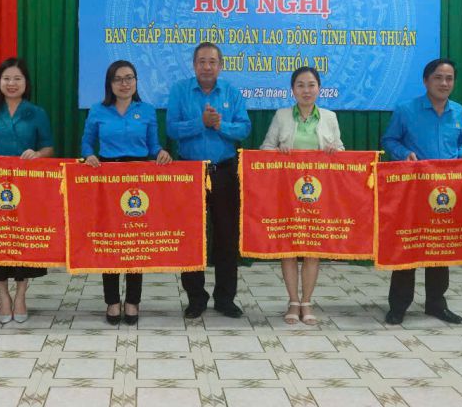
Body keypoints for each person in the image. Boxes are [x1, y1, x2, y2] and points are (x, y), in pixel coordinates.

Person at [381, 58, 462, 325]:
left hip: (445, 192)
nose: (444, 83)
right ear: (426, 81)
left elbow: (460, 145)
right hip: (412, 190)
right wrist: (404, 153)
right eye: (438, 77)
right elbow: (389, 140)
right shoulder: (406, 110)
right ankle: (398, 306)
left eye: (449, 78)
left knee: (439, 247)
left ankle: (436, 303)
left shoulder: (459, 112)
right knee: (408, 245)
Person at [81, 60, 172, 326]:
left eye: (129, 78)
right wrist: (89, 155)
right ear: (110, 84)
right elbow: (87, 142)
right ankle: (112, 301)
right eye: (119, 79)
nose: (125, 83)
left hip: (139, 176)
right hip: (108, 176)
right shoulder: (98, 110)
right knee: (110, 239)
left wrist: (161, 153)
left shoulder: (146, 110)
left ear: (136, 81)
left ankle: (132, 301)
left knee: (135, 240)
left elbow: (153, 145)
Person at [166, 42, 251, 319]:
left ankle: (225, 299)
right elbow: (171, 129)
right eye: (201, 61)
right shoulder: (180, 91)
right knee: (191, 236)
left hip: (224, 172)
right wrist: (199, 123)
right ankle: (195, 298)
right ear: (193, 65)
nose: (207, 66)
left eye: (212, 61)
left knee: (226, 237)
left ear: (221, 65)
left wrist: (219, 125)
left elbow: (245, 128)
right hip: (189, 172)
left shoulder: (232, 93)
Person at [0, 58, 54, 324]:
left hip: (27, 187)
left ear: (26, 83)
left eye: (17, 78)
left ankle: (21, 295)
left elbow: (49, 148)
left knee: (24, 241)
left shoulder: (36, 112)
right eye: (7, 78)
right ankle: (3, 296)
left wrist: (37, 154)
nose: (12, 83)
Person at [260, 66, 344, 325]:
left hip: (318, 196)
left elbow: (342, 152)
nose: (306, 90)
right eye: (300, 85)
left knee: (312, 248)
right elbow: (264, 150)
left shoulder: (329, 117)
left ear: (319, 88)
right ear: (292, 90)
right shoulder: (282, 115)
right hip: (287, 195)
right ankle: (292, 301)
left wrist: (333, 151)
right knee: (288, 246)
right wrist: (278, 152)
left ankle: (307, 301)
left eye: (311, 85)